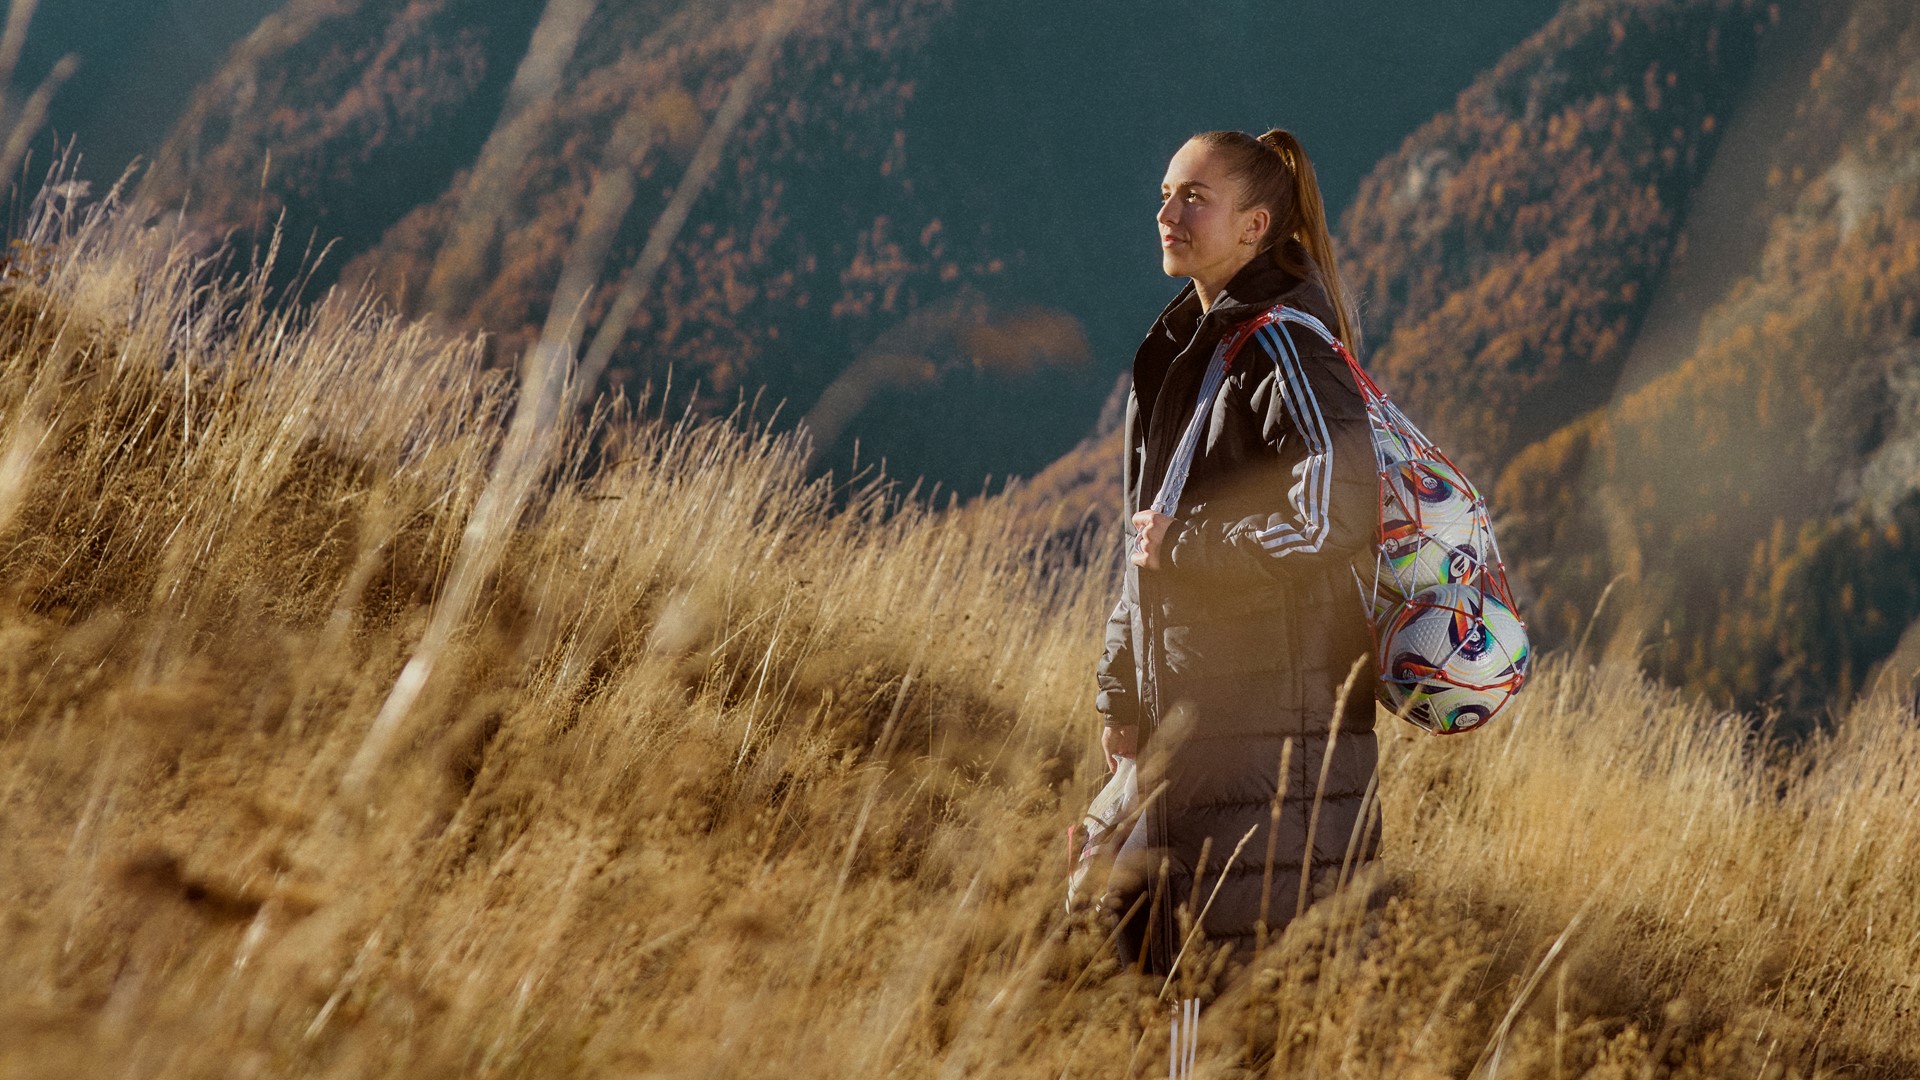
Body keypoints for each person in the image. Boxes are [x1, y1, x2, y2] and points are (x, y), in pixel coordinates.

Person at [1095, 129, 1380, 972]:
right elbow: (1149, 537)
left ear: (1256, 226)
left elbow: (1336, 507)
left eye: (1194, 197)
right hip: (1203, 732)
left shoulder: (1284, 345)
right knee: (1163, 982)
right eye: (1165, 192)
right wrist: (1122, 688)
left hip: (1274, 748)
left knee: (1239, 1003)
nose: (1167, 212)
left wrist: (1192, 550)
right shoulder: (1197, 345)